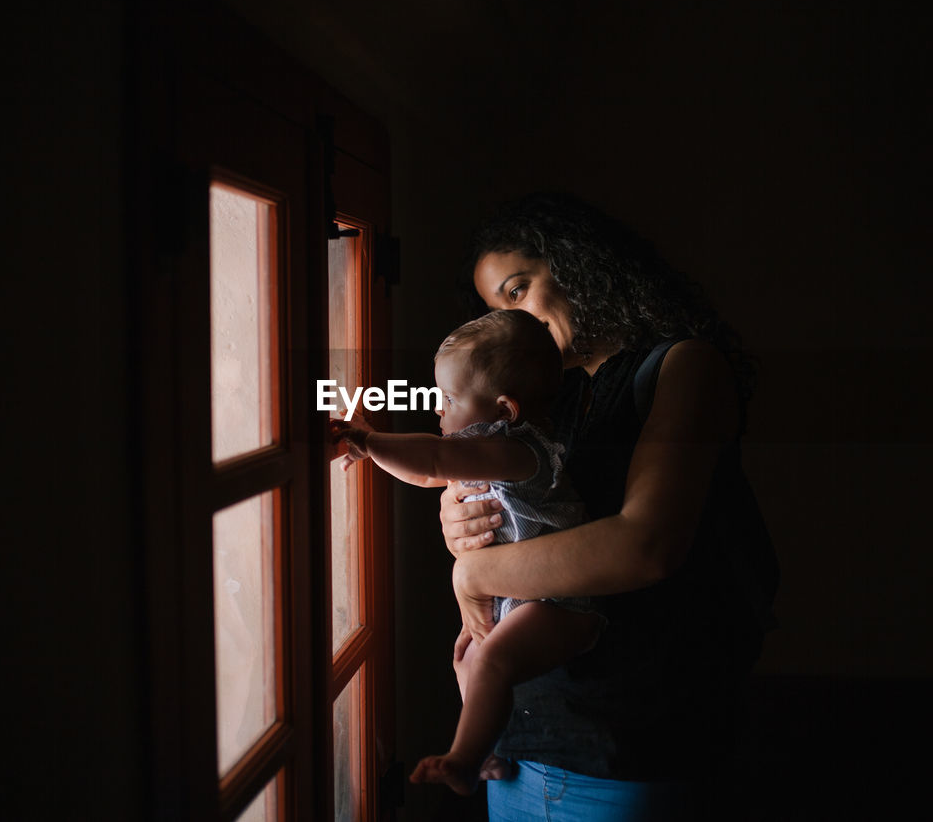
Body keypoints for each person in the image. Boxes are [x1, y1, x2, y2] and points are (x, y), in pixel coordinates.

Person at [439, 192, 778, 821]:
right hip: (517, 744)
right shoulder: (543, 404)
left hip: (629, 750)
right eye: (495, 307)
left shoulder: (681, 367)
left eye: (518, 289)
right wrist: (462, 521)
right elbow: (513, 514)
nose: (513, 317)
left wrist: (473, 573)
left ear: (579, 267)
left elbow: (644, 544)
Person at [330, 308, 604, 796]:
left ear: (503, 412)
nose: (438, 410)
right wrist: (369, 452)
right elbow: (427, 472)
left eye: (449, 398)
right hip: (521, 597)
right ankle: (489, 753)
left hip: (561, 604)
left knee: (492, 659)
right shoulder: (480, 454)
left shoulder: (516, 450)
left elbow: (434, 457)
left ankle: (462, 759)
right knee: (469, 659)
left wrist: (367, 440)